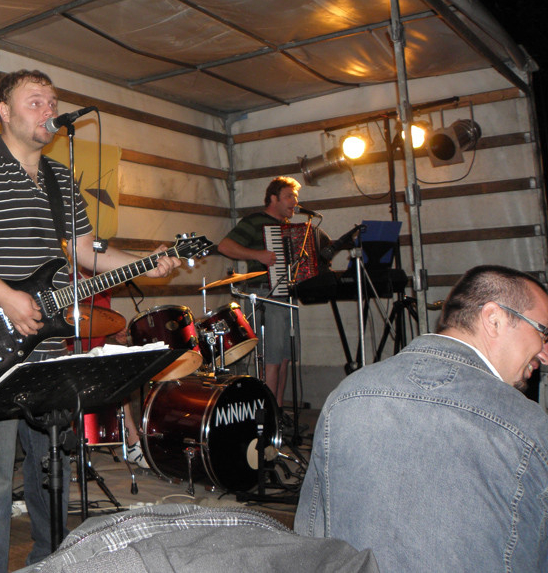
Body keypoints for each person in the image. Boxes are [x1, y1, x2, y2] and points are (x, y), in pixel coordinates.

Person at [0, 69, 181, 573]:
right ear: (4, 111)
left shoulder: (61, 178)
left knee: (52, 465)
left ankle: (51, 562)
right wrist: (8, 299)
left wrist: (146, 263)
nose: (49, 111)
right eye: (35, 101)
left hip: (47, 346)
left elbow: (86, 252)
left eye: (53, 102)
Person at [295, 265, 548, 571]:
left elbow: (311, 544)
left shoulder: (345, 397)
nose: (545, 354)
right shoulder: (528, 425)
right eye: (543, 333)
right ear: (493, 319)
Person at [216, 176, 313, 406]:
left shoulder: (290, 228)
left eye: (295, 197)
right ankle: (268, 411)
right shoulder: (254, 221)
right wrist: (257, 255)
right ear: (273, 198)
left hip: (287, 296)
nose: (294, 202)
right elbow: (225, 246)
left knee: (285, 357)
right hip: (264, 294)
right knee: (271, 357)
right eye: (289, 196)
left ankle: (277, 409)